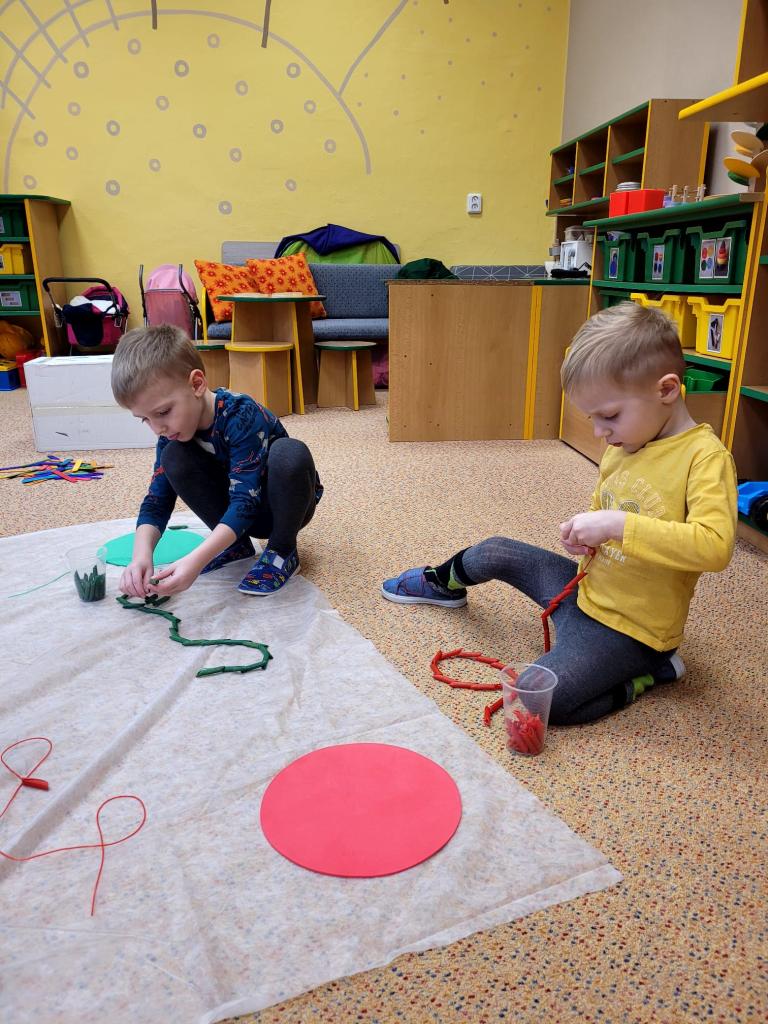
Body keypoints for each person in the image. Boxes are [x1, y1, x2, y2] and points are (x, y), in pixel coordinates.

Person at [381, 303, 737, 725]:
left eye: (609, 416)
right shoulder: (625, 443)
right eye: (593, 418)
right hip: (584, 593)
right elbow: (606, 508)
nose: (600, 432)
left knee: (534, 697)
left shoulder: (705, 458)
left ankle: (646, 675)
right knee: (494, 550)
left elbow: (715, 546)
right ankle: (443, 582)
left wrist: (617, 526)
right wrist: (586, 533)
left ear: (667, 390)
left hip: (633, 633)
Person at [111, 324, 322, 598]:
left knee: (289, 453)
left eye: (162, 412)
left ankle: (282, 551)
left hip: (277, 508)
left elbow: (246, 501)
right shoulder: (171, 432)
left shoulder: (241, 414)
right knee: (173, 455)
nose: (157, 428)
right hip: (234, 514)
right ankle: (235, 545)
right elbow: (157, 499)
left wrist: (197, 560)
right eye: (145, 419)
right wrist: (140, 557)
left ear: (197, 384)